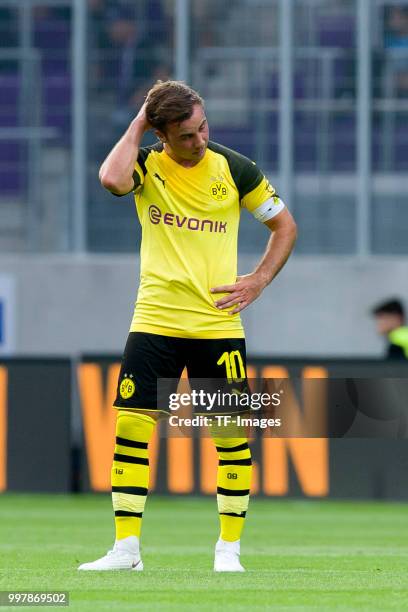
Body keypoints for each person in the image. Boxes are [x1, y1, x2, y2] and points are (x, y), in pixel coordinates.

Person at [78, 80, 297, 572]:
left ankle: (228, 550)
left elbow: (285, 226)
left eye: (203, 128)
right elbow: (111, 180)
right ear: (159, 134)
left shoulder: (235, 169)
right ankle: (126, 550)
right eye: (187, 135)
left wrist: (259, 280)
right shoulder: (145, 165)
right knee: (133, 426)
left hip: (217, 325)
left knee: (229, 435)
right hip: (154, 317)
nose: (200, 140)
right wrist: (137, 124)